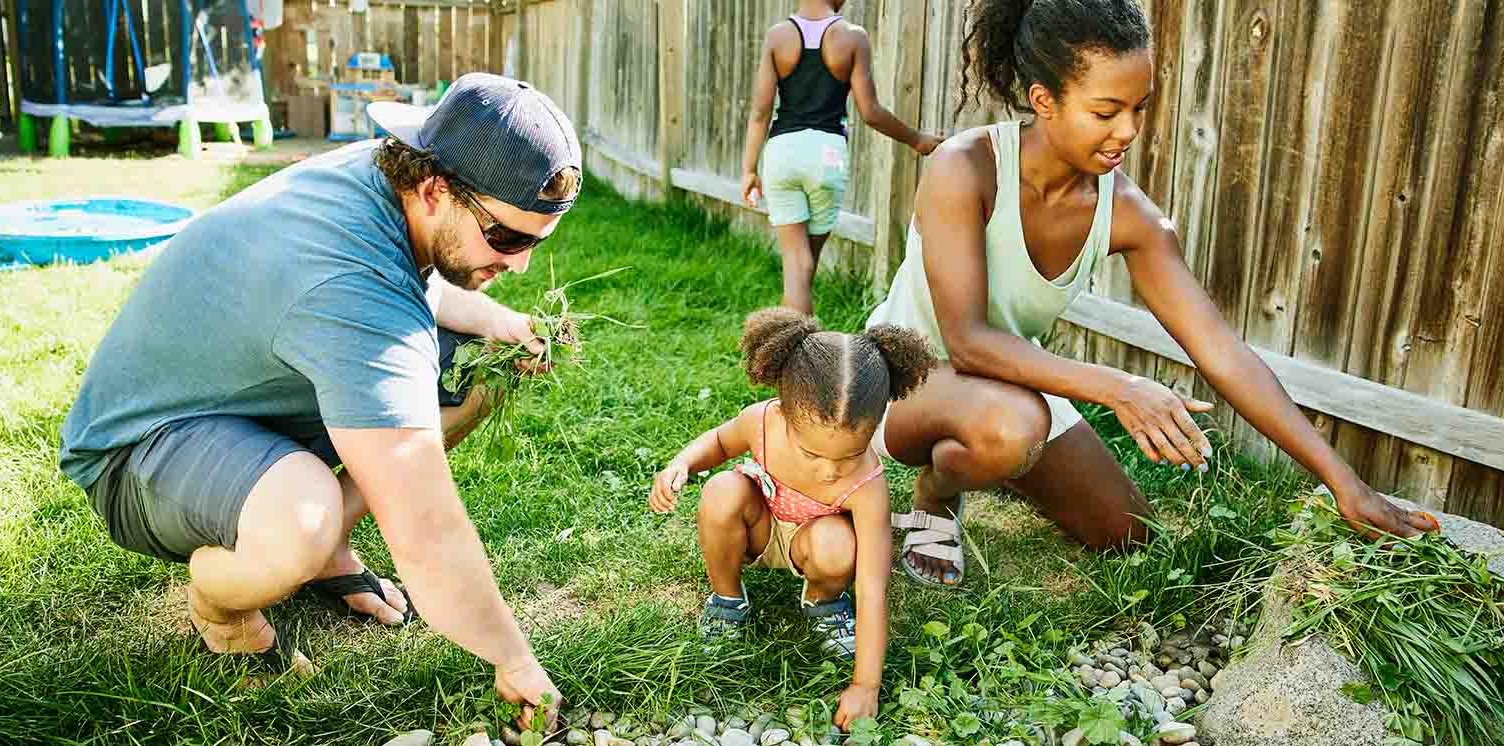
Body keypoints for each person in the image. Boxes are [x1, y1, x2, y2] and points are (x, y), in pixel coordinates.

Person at [57, 73, 577, 729]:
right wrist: (513, 658)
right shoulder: (349, 285)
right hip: (138, 450)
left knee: (476, 371)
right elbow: (426, 530)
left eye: (535, 241)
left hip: (243, 390)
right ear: (435, 189)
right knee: (302, 515)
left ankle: (327, 548)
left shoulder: (390, 187)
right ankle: (224, 611)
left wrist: (494, 320)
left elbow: (415, 285)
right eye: (507, 238)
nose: (522, 262)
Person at [866, 0, 1441, 588]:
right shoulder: (965, 168)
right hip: (906, 376)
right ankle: (938, 494)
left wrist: (1341, 479)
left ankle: (991, 456)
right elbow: (967, 343)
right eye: (1105, 111)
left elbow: (1222, 351)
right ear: (1044, 101)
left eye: (1139, 108)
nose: (1129, 132)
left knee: (1126, 532)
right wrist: (1121, 388)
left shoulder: (1129, 215)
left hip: (1011, 389)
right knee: (1012, 428)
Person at [648, 307, 936, 727]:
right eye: (811, 452)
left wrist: (865, 687)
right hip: (761, 526)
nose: (829, 469)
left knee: (838, 545)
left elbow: (873, 587)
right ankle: (727, 599)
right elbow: (717, 441)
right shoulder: (761, 422)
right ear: (783, 413)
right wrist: (682, 464)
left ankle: (824, 601)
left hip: (816, 542)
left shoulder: (868, 485)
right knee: (721, 490)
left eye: (849, 454)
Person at [740, 0, 945, 315]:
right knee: (804, 266)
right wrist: (918, 140)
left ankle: (787, 350)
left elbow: (760, 111)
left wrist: (749, 169)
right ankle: (797, 355)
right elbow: (871, 112)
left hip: (782, 152)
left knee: (796, 267)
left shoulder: (778, 36)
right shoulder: (852, 37)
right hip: (826, 155)